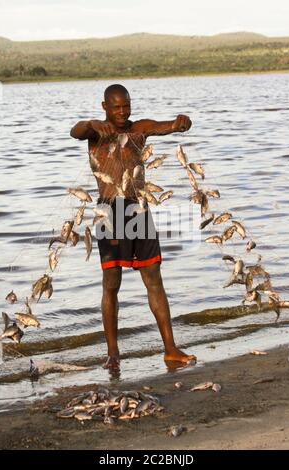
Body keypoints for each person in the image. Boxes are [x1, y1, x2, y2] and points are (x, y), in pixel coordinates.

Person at [70, 84, 196, 371]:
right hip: (109, 211)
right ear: (105, 107)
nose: (123, 111)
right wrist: (90, 124)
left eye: (126, 105)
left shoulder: (138, 129)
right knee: (111, 284)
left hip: (138, 208)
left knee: (154, 279)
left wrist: (179, 124)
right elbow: (75, 131)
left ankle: (170, 349)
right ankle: (113, 355)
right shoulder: (96, 132)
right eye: (116, 107)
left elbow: (163, 126)